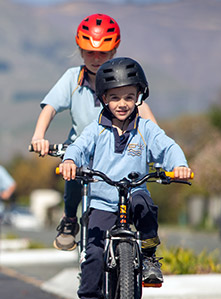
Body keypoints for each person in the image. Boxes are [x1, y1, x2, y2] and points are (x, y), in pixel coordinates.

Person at [58, 57, 192, 299]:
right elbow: (79, 148)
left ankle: (149, 256)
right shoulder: (96, 130)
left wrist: (178, 165)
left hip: (133, 193)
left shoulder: (145, 129)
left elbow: (168, 147)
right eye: (115, 97)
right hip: (102, 202)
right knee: (92, 256)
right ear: (103, 98)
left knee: (144, 204)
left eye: (129, 97)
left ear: (139, 97)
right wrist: (70, 160)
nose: (123, 103)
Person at [30, 13, 158, 251]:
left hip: (118, 151)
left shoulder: (120, 77)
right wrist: (39, 136)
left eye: (103, 53)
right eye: (90, 52)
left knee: (134, 190)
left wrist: (157, 140)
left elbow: (143, 107)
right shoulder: (73, 78)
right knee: (73, 174)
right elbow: (50, 108)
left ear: (114, 51)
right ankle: (70, 219)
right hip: (82, 150)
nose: (96, 58)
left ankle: (138, 253)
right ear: (80, 50)